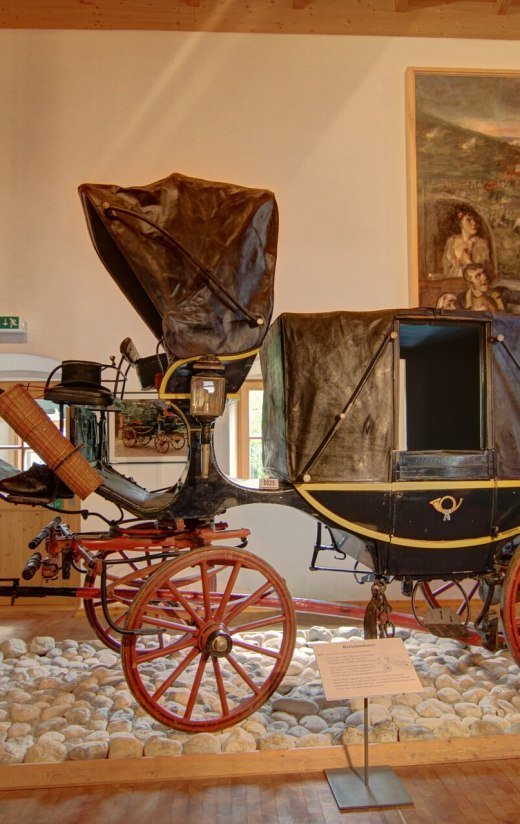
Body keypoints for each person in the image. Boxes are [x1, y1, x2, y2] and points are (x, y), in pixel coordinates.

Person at [442, 209, 491, 279]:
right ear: (460, 223)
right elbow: (446, 272)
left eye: (474, 219)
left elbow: (482, 275)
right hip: (451, 286)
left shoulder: (481, 244)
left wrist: (468, 262)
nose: (474, 223)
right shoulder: (450, 242)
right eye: (469, 220)